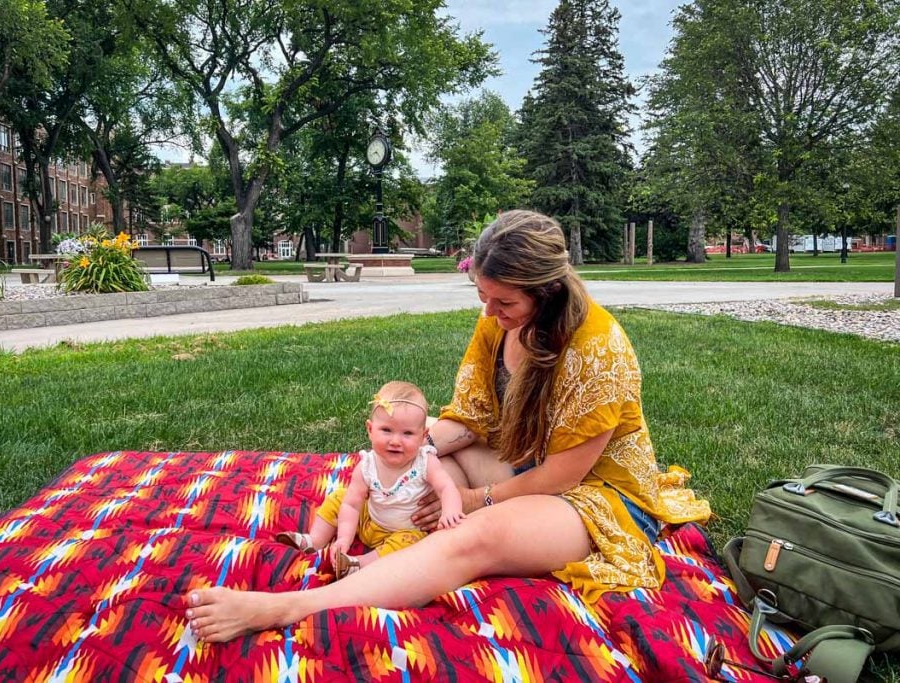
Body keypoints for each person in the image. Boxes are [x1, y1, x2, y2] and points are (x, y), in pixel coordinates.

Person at [183, 209, 710, 643]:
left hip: (596, 498)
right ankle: (399, 558)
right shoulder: (497, 321)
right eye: (484, 296)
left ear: (546, 292)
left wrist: (481, 497)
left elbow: (561, 479)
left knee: (478, 532)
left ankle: (286, 607)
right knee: (424, 443)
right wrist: (412, 450)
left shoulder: (598, 350)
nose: (490, 311)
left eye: (504, 302)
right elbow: (474, 416)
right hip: (522, 459)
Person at [275, 381, 465, 580]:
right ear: (370, 429)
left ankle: (360, 564)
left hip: (404, 530)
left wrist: (451, 511)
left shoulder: (425, 462)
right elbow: (352, 505)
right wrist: (344, 539)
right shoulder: (367, 466)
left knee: (412, 544)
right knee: (340, 497)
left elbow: (446, 487)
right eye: (387, 430)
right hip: (368, 520)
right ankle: (314, 541)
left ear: (423, 435)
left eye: (407, 433)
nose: (395, 441)